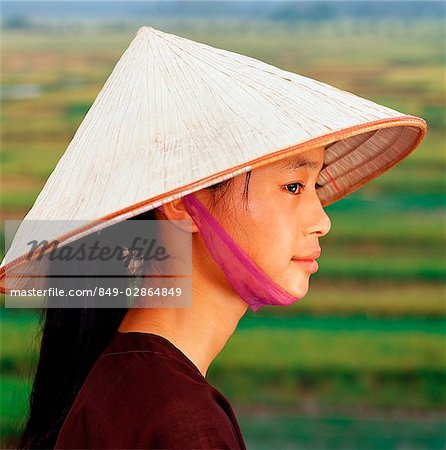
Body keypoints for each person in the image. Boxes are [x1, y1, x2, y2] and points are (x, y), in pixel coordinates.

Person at [1, 26, 426, 449]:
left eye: (315, 187)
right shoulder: (181, 423)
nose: (322, 221)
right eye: (293, 187)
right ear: (183, 204)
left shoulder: (121, 380)